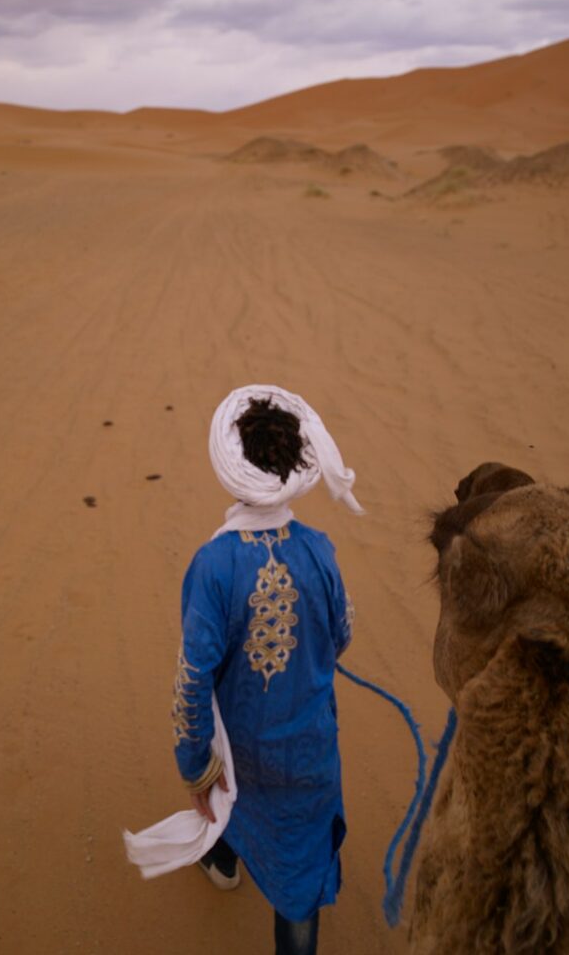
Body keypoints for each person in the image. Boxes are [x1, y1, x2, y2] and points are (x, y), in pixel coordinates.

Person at [169, 385, 362, 955]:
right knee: (299, 884)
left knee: (230, 794)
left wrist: (196, 764)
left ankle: (223, 859)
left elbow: (193, 678)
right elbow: (343, 633)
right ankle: (228, 859)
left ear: (232, 469)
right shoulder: (319, 550)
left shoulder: (214, 564)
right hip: (310, 751)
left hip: (242, 752)